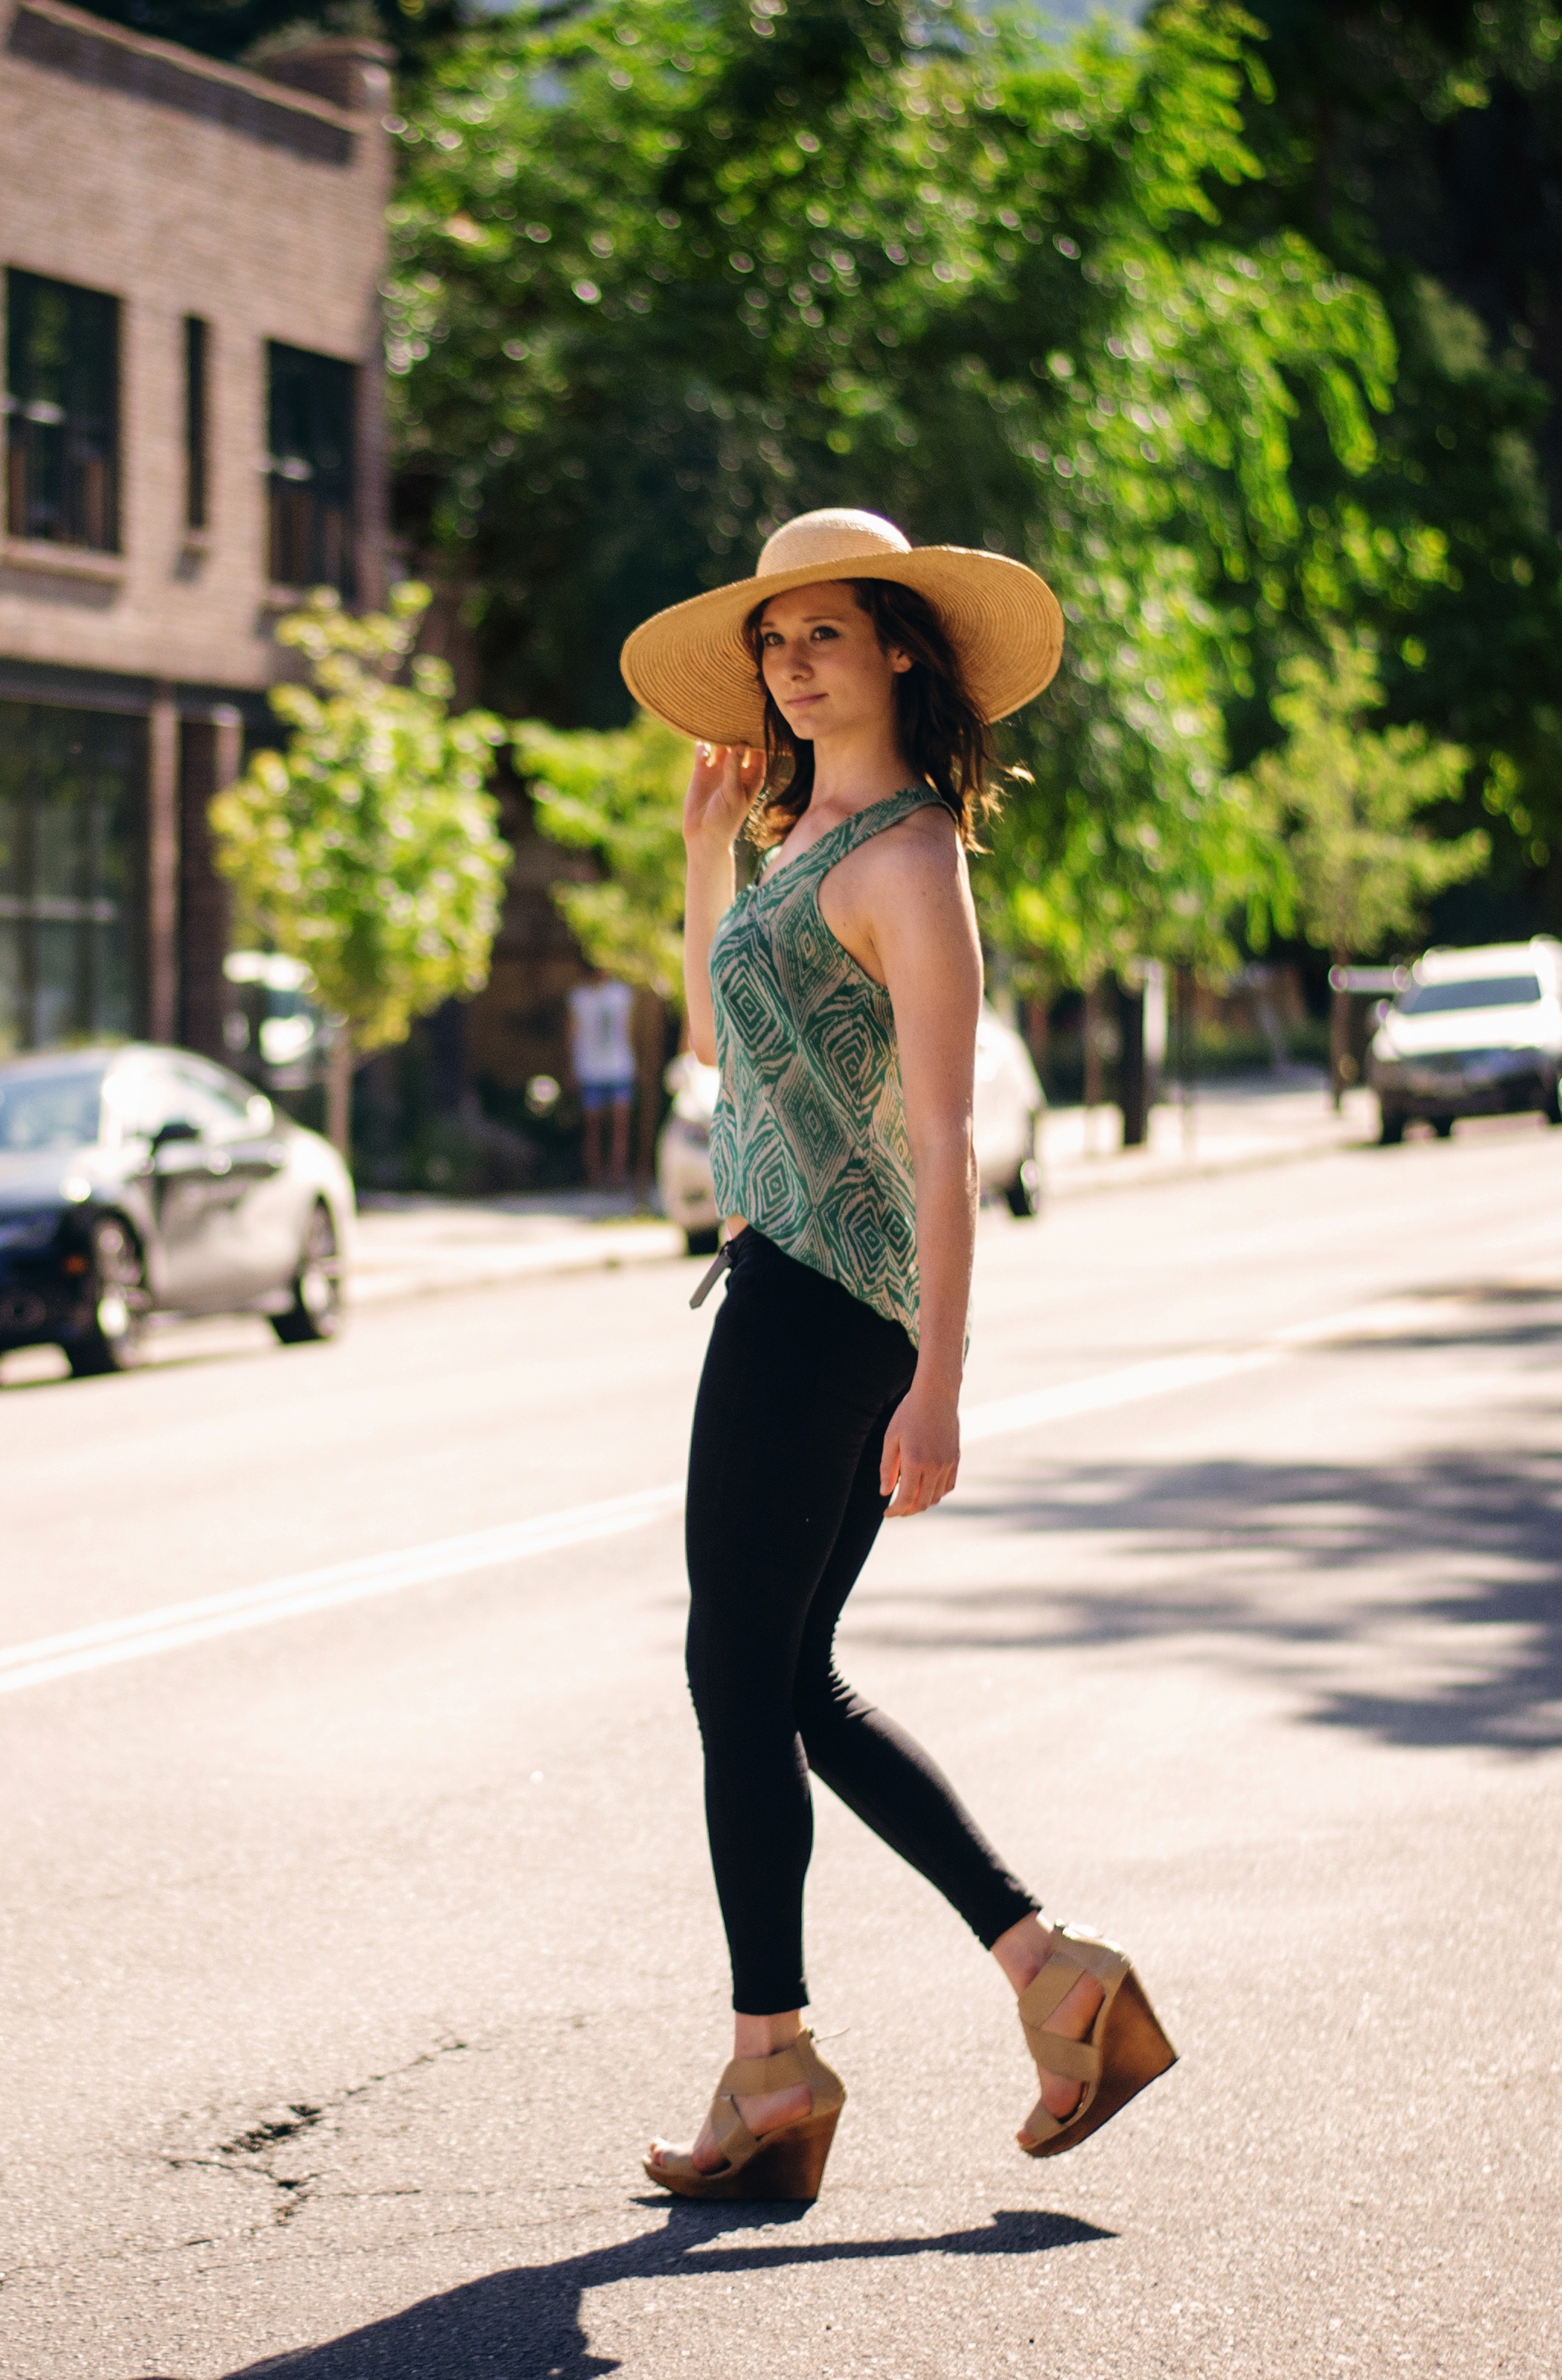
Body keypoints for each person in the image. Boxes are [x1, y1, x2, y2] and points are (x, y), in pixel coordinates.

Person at [615, 508, 1174, 2200]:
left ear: (900, 652)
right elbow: (722, 1052)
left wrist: (941, 1378)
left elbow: (945, 1142)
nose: (791, 664)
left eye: (825, 637)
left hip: (827, 1307)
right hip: (784, 1290)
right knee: (783, 1685)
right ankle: (1054, 1979)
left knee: (738, 1682)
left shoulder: (912, 860)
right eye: (775, 641)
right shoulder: (804, 840)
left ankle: (771, 2065)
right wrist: (708, 847)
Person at [566, 973, 641, 1189]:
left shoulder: (622, 994)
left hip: (620, 1068)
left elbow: (630, 1031)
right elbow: (571, 1033)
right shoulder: (579, 997)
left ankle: (618, 1175)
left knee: (621, 1125)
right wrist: (571, 1068)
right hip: (590, 1069)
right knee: (593, 1126)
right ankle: (595, 1177)